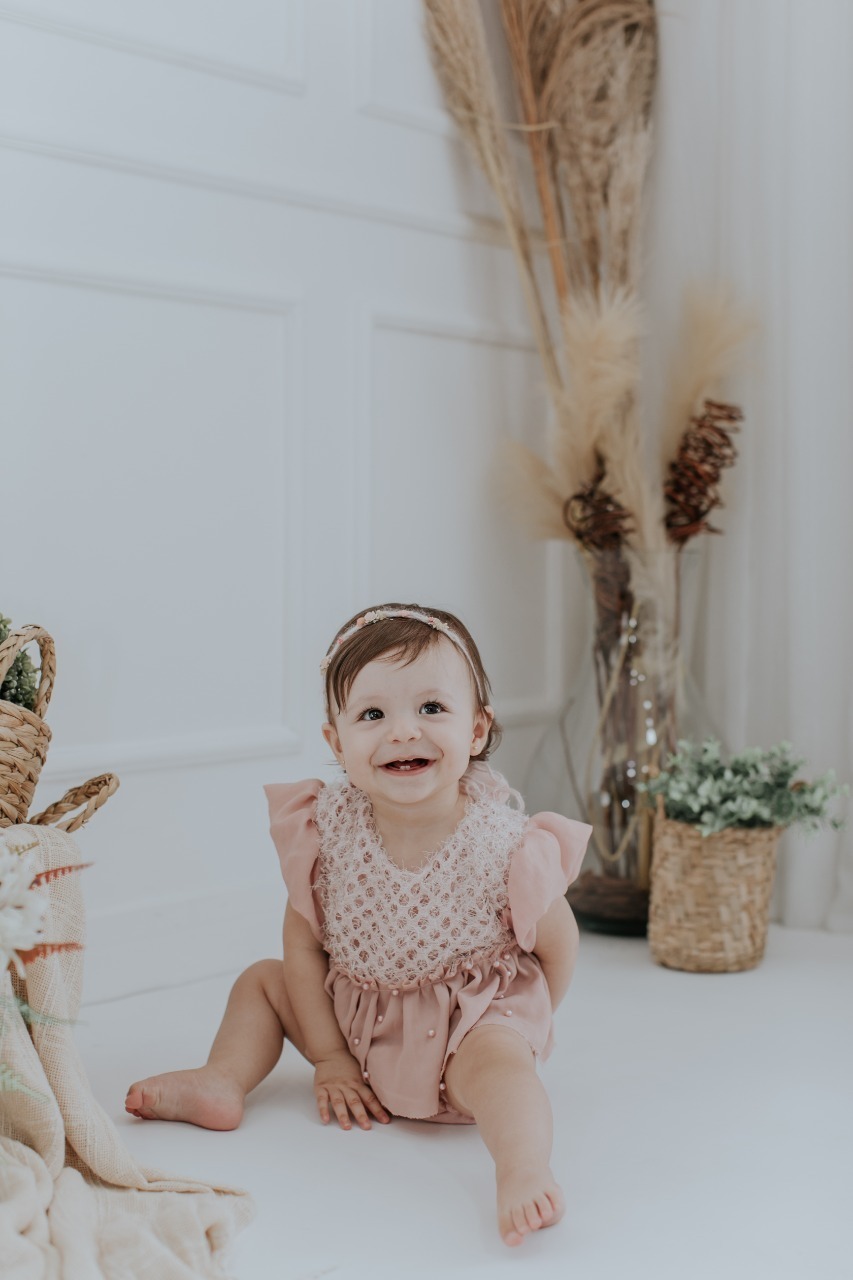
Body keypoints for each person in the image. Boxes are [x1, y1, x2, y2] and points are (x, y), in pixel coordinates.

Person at [125, 604, 591, 1248]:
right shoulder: (325, 828)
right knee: (262, 981)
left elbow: (559, 944)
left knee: (504, 1073)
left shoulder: (504, 843)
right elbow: (302, 941)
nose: (402, 731)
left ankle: (522, 1167)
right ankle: (223, 1079)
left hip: (465, 1029)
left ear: (477, 729)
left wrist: (518, 1027)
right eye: (372, 714)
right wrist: (331, 1056)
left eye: (432, 708)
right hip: (354, 1020)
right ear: (336, 742)